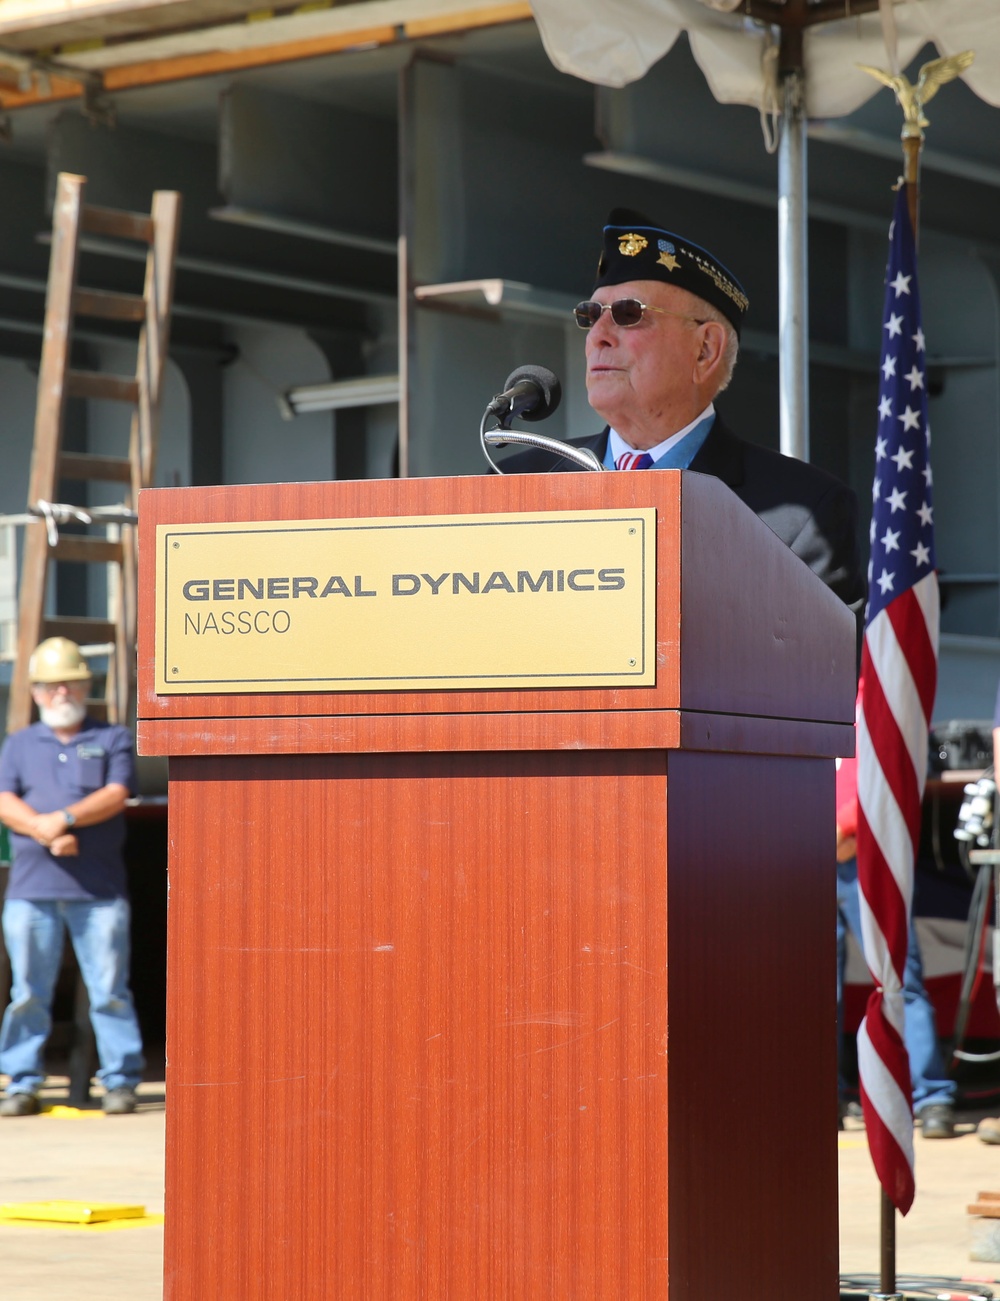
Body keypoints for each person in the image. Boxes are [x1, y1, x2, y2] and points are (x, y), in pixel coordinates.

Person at [499, 207, 866, 627]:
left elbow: (812, 680)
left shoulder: (802, 516)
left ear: (705, 349)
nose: (598, 335)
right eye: (591, 314)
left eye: (627, 313)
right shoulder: (515, 488)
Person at [0, 637, 144, 1116]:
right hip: (31, 892)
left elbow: (117, 793)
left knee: (110, 994)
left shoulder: (112, 738)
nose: (60, 694)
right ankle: (22, 1083)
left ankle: (120, 1081)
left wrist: (64, 817)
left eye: (69, 684)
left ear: (85, 686)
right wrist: (50, 830)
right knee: (27, 994)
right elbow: (5, 802)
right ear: (37, 692)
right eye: (49, 687)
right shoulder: (18, 744)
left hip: (98, 892)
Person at [836, 741, 958, 1138]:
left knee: (900, 976)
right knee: (815, 985)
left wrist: (846, 827)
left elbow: (891, 765)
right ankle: (828, 1094)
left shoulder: (865, 695)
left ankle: (931, 1096)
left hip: (866, 851)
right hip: (802, 847)